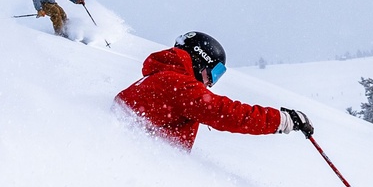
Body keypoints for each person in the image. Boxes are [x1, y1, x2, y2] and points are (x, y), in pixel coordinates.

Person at [115, 31, 313, 149]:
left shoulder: (157, 78)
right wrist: (282, 119)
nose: (210, 83)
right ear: (199, 60)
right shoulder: (176, 84)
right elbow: (225, 113)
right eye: (214, 73)